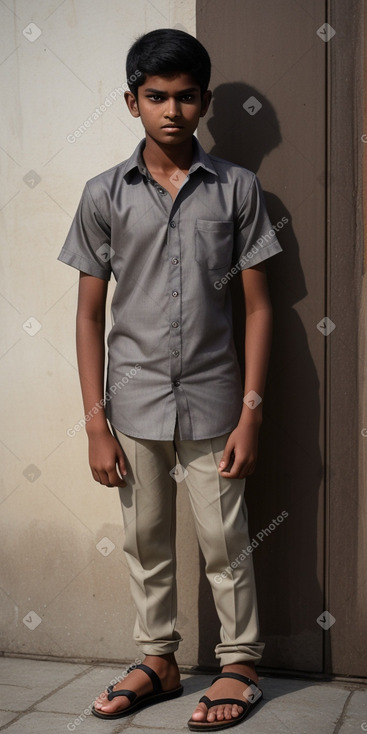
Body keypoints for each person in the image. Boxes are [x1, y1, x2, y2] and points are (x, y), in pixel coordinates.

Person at [58, 27, 282, 731]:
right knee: (146, 538)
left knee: (226, 540)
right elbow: (90, 317)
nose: (172, 111)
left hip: (216, 400)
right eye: (156, 96)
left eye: (186, 97)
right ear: (132, 102)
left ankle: (239, 663)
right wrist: (95, 422)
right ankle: (156, 659)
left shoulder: (239, 190)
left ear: (204, 101)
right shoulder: (104, 195)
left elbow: (258, 307)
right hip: (134, 402)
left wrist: (250, 412)